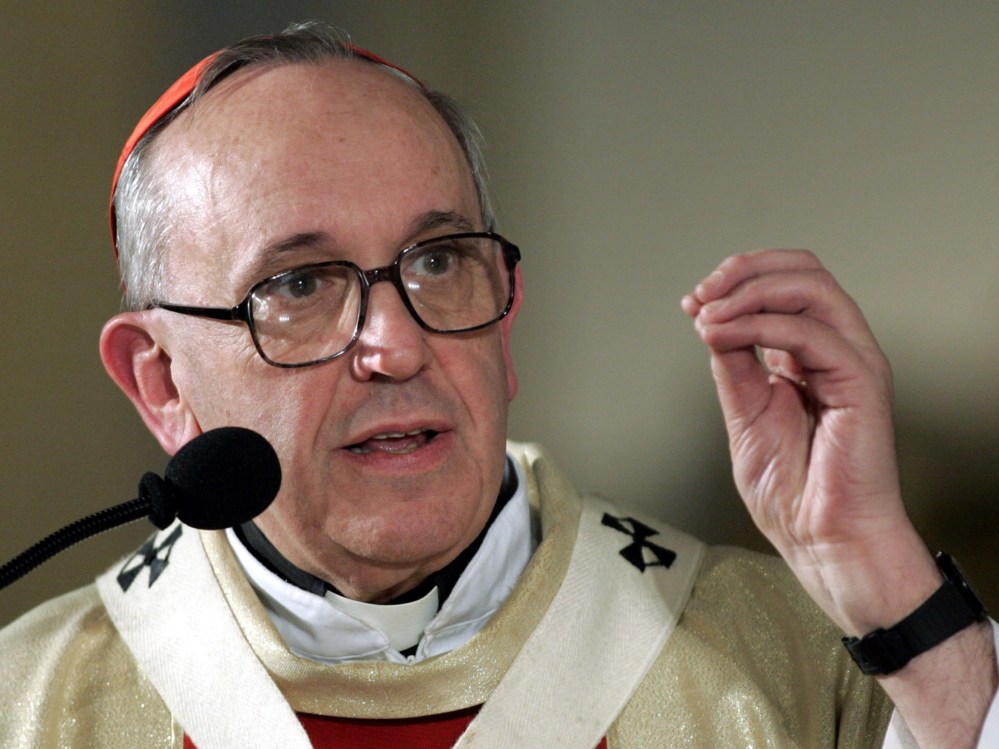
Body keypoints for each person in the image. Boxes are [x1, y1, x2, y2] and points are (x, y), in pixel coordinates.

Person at [1, 21, 996, 748]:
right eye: (299, 285)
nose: (395, 342)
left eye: (439, 261)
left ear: (506, 312)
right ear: (160, 380)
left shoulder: (791, 665)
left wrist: (894, 594)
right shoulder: (35, 704)